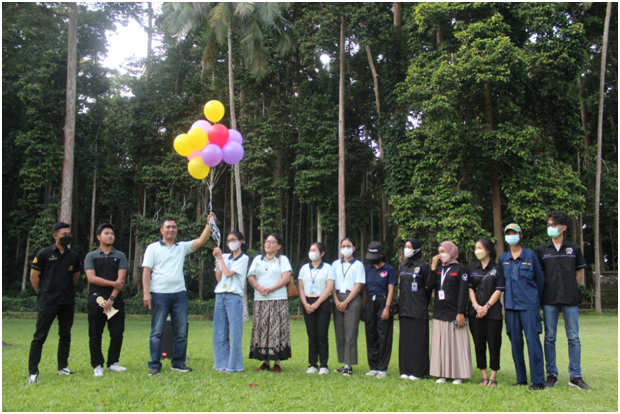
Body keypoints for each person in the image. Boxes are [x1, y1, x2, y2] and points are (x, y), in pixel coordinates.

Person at [142, 213, 215, 376]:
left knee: (181, 331)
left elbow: (201, 241)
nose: (171, 230)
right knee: (157, 331)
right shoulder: (152, 248)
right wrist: (146, 293)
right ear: (161, 230)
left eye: (174, 227)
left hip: (179, 294)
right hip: (159, 294)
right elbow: (146, 272)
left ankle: (178, 363)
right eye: (168, 227)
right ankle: (154, 364)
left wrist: (209, 224)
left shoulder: (181, 247)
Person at [536, 211, 590, 390]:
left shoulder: (573, 249)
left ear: (563, 227)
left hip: (570, 299)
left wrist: (571, 288)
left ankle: (576, 376)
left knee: (573, 337)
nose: (550, 228)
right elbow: (539, 274)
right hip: (549, 299)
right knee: (549, 337)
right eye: (549, 225)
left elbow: (579, 273)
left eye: (553, 225)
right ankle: (551, 374)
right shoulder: (542, 250)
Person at [28, 222, 83, 384]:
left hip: (67, 301)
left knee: (65, 335)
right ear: (55, 236)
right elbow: (34, 277)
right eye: (64, 234)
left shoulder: (73, 255)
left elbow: (75, 277)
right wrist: (42, 292)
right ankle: (33, 372)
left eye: (68, 234)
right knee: (39, 336)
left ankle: (62, 367)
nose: (67, 236)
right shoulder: (44, 254)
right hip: (48, 301)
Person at [499, 223, 546, 390]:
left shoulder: (530, 255)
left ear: (521, 236)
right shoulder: (503, 258)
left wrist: (535, 301)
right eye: (508, 233)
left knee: (533, 342)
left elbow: (540, 281)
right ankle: (521, 378)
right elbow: (501, 283)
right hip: (511, 307)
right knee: (515, 343)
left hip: (529, 306)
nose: (511, 236)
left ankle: (538, 380)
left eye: (514, 233)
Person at [84, 223, 128, 377]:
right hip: (96, 300)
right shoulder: (91, 256)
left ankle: (113, 362)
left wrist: (112, 297)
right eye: (106, 233)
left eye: (112, 234)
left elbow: (121, 280)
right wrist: (112, 284)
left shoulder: (120, 256)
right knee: (95, 333)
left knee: (117, 333)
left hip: (115, 299)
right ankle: (97, 364)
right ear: (98, 237)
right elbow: (91, 278)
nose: (110, 236)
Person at [247, 233, 292, 372]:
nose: (269, 244)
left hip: (278, 299)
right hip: (261, 300)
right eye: (267, 241)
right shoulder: (257, 259)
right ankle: (265, 362)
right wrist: (259, 287)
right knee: (263, 330)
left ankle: (277, 362)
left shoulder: (282, 259)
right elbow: (251, 276)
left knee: (276, 330)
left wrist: (271, 288)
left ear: (278, 246)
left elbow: (286, 278)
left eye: (273, 242)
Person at [429, 241, 472, 384]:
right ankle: (442, 373)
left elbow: (462, 293)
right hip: (440, 311)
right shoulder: (439, 269)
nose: (441, 254)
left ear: (452, 252)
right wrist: (433, 268)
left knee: (456, 344)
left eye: (444, 251)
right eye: (439, 251)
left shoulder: (460, 270)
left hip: (454, 312)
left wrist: (461, 312)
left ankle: (458, 374)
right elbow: (429, 285)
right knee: (441, 343)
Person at [468, 238, 505, 387]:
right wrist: (476, 306)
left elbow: (499, 289)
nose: (477, 250)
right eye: (475, 248)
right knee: (479, 344)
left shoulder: (497, 268)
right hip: (475, 313)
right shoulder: (472, 268)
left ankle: (493, 376)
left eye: (480, 247)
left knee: (494, 344)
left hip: (493, 313)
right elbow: (470, 288)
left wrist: (487, 306)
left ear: (488, 250)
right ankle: (483, 376)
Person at [212, 230, 249, 373]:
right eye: (228, 240)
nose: (230, 243)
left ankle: (234, 365)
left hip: (234, 296)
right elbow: (219, 277)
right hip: (220, 294)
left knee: (235, 332)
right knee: (220, 332)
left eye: (233, 240)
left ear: (241, 241)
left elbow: (229, 273)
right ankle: (221, 363)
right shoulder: (225, 257)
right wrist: (218, 262)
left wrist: (220, 258)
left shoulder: (243, 258)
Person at [398, 238, 433, 381]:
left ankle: (419, 371)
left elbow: (428, 289)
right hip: (404, 309)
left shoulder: (423, 267)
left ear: (417, 249)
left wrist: (421, 304)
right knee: (406, 341)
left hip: (418, 310)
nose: (407, 249)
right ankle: (405, 370)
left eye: (410, 246)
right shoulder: (403, 267)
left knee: (418, 341)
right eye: (405, 246)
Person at [298, 242, 335, 375]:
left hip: (323, 302)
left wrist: (317, 303)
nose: (311, 252)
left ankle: (324, 365)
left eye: (315, 250)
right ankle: (312, 364)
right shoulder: (304, 269)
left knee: (322, 335)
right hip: (307, 302)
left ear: (322, 253)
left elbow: (329, 288)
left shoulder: (328, 268)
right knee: (311, 335)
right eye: (310, 249)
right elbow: (301, 287)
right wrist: (305, 303)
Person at [331, 237, 366, 376]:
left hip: (352, 298)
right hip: (337, 297)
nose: (345, 248)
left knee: (350, 332)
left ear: (354, 248)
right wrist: (336, 301)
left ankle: (349, 365)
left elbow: (358, 285)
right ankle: (343, 361)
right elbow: (331, 284)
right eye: (343, 246)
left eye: (348, 246)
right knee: (340, 332)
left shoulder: (358, 265)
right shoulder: (334, 264)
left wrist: (346, 302)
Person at [363, 241, 397, 379]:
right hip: (370, 302)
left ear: (381, 254)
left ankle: (383, 367)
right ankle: (374, 366)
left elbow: (391, 289)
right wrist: (364, 307)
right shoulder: (367, 269)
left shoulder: (389, 269)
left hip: (383, 301)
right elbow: (364, 289)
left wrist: (387, 307)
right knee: (371, 333)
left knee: (384, 334)